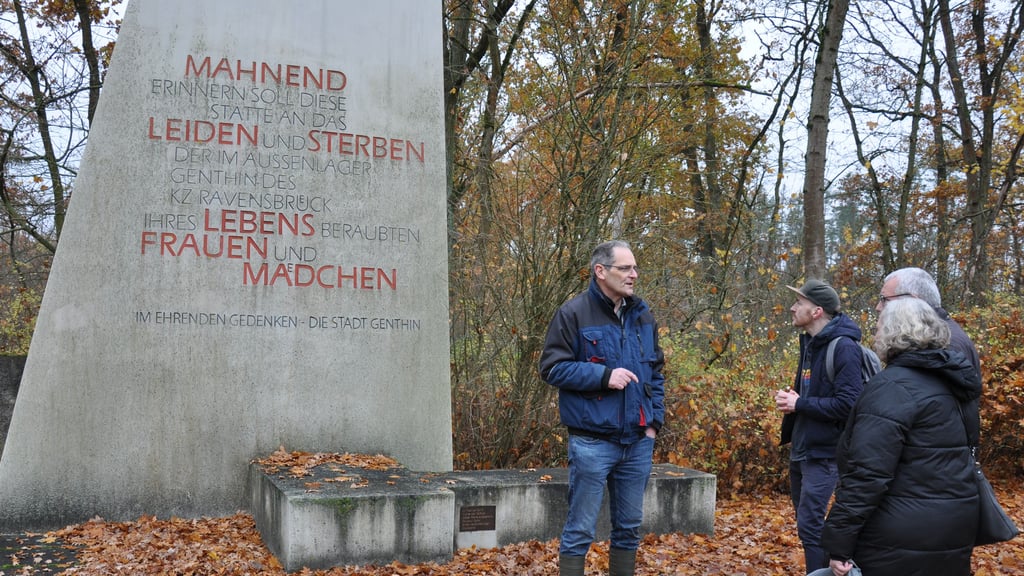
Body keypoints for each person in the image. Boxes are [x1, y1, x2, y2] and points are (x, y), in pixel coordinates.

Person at [821, 297, 982, 576]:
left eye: (879, 327)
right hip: (956, 523)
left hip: (899, 534)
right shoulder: (955, 380)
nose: (874, 334)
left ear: (892, 333)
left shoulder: (891, 388)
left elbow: (867, 473)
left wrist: (838, 543)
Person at [539, 240, 665, 576]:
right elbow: (551, 368)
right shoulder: (573, 314)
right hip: (592, 442)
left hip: (637, 442)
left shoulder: (642, 315)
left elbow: (656, 372)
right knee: (580, 531)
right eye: (625, 268)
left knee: (628, 530)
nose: (633, 275)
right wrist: (603, 376)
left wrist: (654, 423)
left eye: (634, 268)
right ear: (600, 272)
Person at [774, 279, 865, 573]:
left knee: (812, 526)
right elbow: (812, 396)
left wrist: (800, 404)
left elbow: (848, 405)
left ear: (816, 311)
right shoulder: (811, 344)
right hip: (804, 448)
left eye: (799, 302)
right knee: (807, 525)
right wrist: (794, 400)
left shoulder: (844, 348)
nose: (792, 307)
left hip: (825, 454)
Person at [877, 267, 983, 448]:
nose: (878, 307)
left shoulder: (946, 344)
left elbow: (941, 421)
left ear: (913, 299)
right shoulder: (939, 338)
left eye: (885, 299)